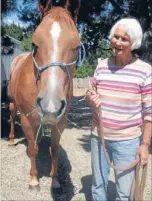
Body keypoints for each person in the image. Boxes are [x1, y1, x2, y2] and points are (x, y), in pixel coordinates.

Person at [86, 18, 152, 201]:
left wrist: (144, 145)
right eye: (115, 37)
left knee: (124, 194)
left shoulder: (145, 71)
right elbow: (91, 93)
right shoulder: (101, 66)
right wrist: (90, 99)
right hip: (98, 137)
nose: (118, 42)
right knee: (98, 186)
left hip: (128, 142)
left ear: (134, 43)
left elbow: (149, 113)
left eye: (124, 39)